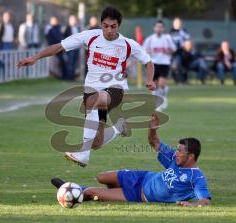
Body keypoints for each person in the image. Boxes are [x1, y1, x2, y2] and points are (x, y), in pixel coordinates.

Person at [18, 6, 155, 167]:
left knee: (93, 101)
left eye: (113, 26)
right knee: (96, 143)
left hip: (116, 90)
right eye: (105, 26)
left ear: (119, 26)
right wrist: (35, 57)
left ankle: (83, 154)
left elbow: (148, 62)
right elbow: (60, 46)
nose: (109, 30)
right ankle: (119, 128)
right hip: (92, 91)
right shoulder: (90, 36)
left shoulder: (127, 44)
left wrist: (151, 80)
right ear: (101, 24)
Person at [51, 112, 211, 206]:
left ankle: (70, 189)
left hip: (138, 195)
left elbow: (205, 201)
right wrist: (152, 128)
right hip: (141, 177)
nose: (176, 153)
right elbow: (154, 142)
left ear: (191, 156)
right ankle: (75, 190)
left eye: (180, 151)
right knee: (101, 177)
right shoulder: (175, 158)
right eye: (176, 149)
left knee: (92, 192)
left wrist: (191, 204)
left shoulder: (196, 178)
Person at [143, 20, 176, 111]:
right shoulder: (150, 39)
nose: (159, 29)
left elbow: (174, 49)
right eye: (157, 27)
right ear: (154, 28)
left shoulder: (167, 38)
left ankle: (163, 97)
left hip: (164, 63)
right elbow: (143, 51)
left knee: (162, 84)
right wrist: (147, 53)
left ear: (163, 29)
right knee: (154, 86)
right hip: (153, 64)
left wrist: (168, 51)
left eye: (161, 27)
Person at [170, 17, 191, 84]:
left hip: (181, 52)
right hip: (172, 53)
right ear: (173, 23)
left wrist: (185, 46)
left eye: (179, 22)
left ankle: (182, 80)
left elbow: (188, 42)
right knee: (174, 66)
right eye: (176, 22)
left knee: (178, 64)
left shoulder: (184, 32)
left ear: (181, 23)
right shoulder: (170, 32)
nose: (177, 24)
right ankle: (178, 80)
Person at [63, 15, 81, 80]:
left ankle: (72, 76)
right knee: (70, 63)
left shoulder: (78, 28)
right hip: (70, 48)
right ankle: (68, 77)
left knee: (74, 63)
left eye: (74, 20)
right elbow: (64, 37)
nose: (73, 21)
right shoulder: (67, 28)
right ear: (69, 21)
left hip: (77, 48)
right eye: (72, 20)